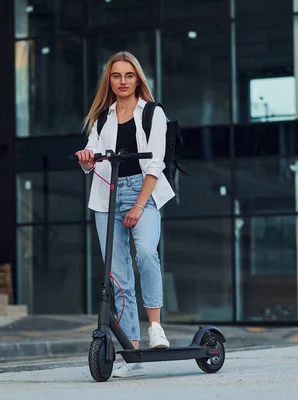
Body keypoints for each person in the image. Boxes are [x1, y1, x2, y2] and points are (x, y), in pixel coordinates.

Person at [75, 51, 175, 378]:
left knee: (146, 253)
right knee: (118, 279)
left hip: (142, 192)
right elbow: (93, 161)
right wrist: (87, 159)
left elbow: (156, 164)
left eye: (128, 75)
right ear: (110, 81)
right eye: (116, 76)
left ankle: (156, 327)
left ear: (137, 79)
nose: (122, 81)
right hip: (108, 197)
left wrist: (137, 205)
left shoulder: (153, 114)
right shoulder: (101, 118)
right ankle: (131, 350)